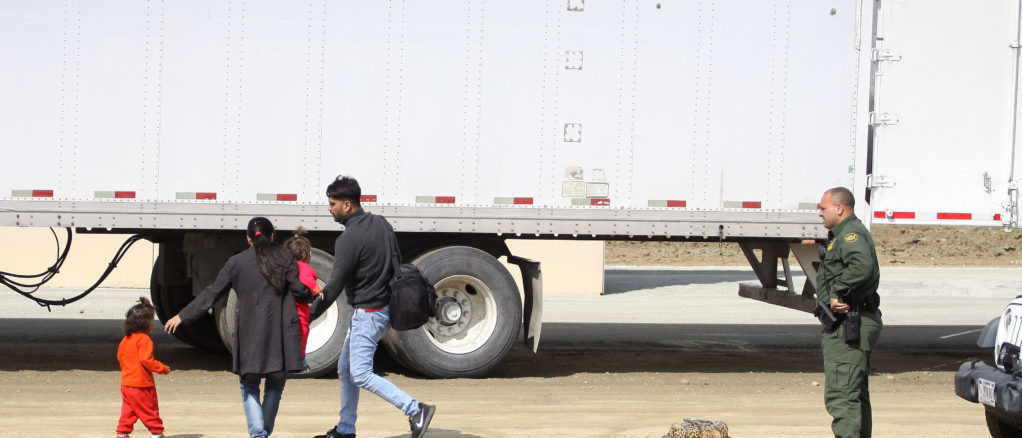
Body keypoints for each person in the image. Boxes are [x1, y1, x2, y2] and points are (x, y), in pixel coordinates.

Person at [164, 217, 315, 438]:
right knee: (275, 384)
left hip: (251, 337)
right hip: (280, 337)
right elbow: (300, 290)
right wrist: (313, 294)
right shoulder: (286, 257)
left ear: (247, 239)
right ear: (272, 237)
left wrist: (182, 315)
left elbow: (212, 292)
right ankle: (262, 433)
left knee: (250, 386)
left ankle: (258, 434)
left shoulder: (237, 262)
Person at [310, 175, 435, 438]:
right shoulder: (381, 223)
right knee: (346, 369)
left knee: (361, 373)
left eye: (332, 204)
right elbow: (396, 262)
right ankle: (345, 429)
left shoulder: (348, 240)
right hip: (382, 308)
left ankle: (415, 409)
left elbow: (333, 287)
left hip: (368, 313)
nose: (329, 209)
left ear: (347, 205)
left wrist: (306, 317)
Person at [816, 187, 883, 438]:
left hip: (849, 325)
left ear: (840, 208)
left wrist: (837, 291)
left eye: (823, 208)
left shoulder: (850, 234)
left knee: (842, 397)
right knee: (854, 394)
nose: (819, 212)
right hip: (850, 323)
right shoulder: (843, 234)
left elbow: (862, 267)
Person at [116, 296, 170, 438]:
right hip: (141, 385)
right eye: (152, 320)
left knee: (128, 411)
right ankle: (157, 433)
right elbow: (146, 360)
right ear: (146, 323)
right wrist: (162, 368)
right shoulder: (144, 339)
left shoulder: (125, 340)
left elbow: (120, 357)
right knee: (149, 410)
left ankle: (122, 434)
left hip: (126, 384)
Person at [285, 226, 321, 370]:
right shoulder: (304, 267)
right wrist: (317, 290)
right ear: (307, 254)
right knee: (303, 331)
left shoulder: (287, 266)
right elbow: (307, 280)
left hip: (289, 307)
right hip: (300, 309)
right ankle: (301, 359)